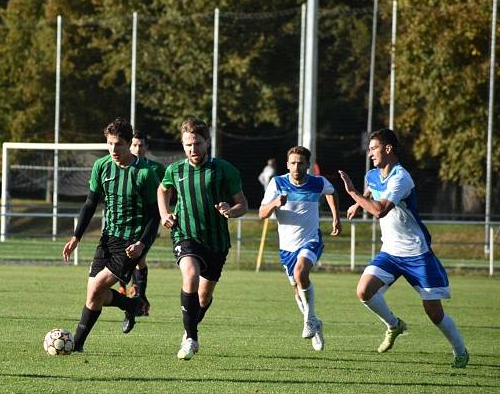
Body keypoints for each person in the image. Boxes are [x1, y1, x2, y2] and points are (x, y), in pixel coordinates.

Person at [339, 128, 468, 368]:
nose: (370, 154)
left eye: (374, 149)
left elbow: (380, 210)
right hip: (390, 252)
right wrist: (358, 204)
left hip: (416, 253)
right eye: (369, 149)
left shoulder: (401, 178)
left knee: (434, 312)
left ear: (388, 149)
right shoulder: (372, 175)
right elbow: (371, 191)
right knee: (364, 290)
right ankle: (394, 324)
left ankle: (460, 350)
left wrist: (353, 194)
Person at [62, 118, 160, 352]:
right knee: (95, 295)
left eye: (119, 144)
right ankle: (131, 304)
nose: (113, 150)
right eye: (109, 144)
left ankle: (76, 346)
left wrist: (142, 244)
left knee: (96, 288)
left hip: (131, 242)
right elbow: (90, 203)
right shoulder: (102, 166)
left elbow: (155, 215)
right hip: (108, 238)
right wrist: (77, 236)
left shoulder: (145, 174)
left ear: (129, 144)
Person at [158, 117, 248, 360]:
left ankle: (190, 330)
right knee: (190, 275)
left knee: (203, 297)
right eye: (188, 145)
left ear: (207, 142)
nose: (193, 149)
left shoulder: (224, 170)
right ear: (182, 144)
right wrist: (164, 213)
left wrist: (231, 210)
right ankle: (190, 338)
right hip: (185, 234)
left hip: (216, 242)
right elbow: (163, 189)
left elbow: (243, 204)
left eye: (197, 144)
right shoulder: (175, 170)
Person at [259, 146, 340, 351]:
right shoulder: (277, 183)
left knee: (301, 271)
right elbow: (262, 213)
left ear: (307, 165)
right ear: (287, 165)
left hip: (311, 240)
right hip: (287, 248)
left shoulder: (317, 182)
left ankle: (309, 319)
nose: (296, 166)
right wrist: (275, 203)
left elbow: (331, 192)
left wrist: (336, 218)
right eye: (293, 163)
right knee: (296, 288)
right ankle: (315, 323)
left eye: (300, 163)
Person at [114, 130, 166, 316]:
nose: (137, 148)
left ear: (146, 147)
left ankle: (139, 296)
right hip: (124, 222)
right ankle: (126, 289)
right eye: (134, 145)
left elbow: (165, 193)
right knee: (124, 256)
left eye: (140, 145)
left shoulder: (155, 169)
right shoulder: (119, 166)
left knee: (139, 258)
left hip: (146, 223)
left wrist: (164, 215)